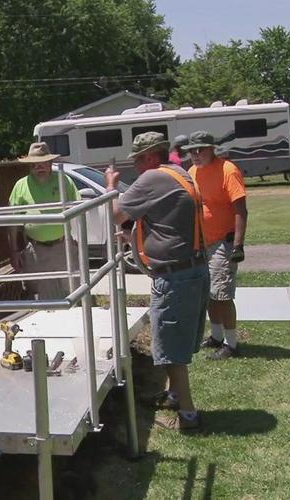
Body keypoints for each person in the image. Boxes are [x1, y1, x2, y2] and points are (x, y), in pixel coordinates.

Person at [106, 132, 209, 432]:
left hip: (175, 276)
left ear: (151, 156)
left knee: (173, 350)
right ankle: (175, 395)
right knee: (172, 341)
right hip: (192, 269)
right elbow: (168, 225)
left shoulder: (153, 178)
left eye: (137, 160)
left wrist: (110, 186)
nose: (135, 167)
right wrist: (135, 237)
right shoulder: (179, 173)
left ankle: (188, 416)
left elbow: (116, 214)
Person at [184, 131, 248, 360]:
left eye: (201, 149)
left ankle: (232, 345)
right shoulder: (192, 172)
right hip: (203, 242)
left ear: (213, 149)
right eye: (192, 150)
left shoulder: (228, 170)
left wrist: (238, 245)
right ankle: (217, 336)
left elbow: (241, 210)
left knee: (222, 295)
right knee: (209, 293)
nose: (196, 154)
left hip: (224, 241)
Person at [8, 142, 79, 299]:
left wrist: (77, 240)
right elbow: (13, 222)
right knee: (37, 296)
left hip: (63, 246)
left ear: (50, 163)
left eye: (42, 163)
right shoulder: (20, 186)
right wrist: (14, 251)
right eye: (34, 165)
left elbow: (78, 209)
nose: (38, 168)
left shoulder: (64, 181)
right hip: (35, 249)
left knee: (72, 292)